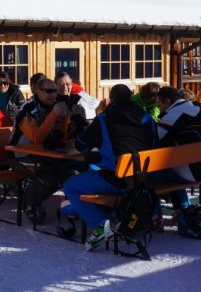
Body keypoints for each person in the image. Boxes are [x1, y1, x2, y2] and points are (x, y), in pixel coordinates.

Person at [64, 84, 156, 249]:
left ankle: (101, 225)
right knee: (96, 167)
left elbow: (81, 144)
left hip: (117, 180)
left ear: (111, 100)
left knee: (70, 186)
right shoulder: (147, 118)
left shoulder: (105, 119)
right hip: (145, 178)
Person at [10, 76, 78, 222]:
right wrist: (54, 114)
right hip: (20, 155)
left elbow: (62, 134)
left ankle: (75, 206)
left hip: (45, 153)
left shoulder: (53, 106)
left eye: (55, 91)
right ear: (37, 92)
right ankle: (29, 204)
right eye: (48, 91)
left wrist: (66, 118)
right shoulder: (29, 109)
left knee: (69, 170)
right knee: (48, 171)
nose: (53, 94)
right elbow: (37, 137)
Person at [153, 85, 201, 239]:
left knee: (148, 174)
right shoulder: (197, 108)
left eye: (160, 105)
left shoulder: (173, 116)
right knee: (169, 168)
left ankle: (155, 216)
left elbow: (154, 142)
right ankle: (183, 210)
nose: (159, 109)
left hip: (191, 170)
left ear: (167, 101)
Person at [53, 72, 90, 140]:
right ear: (55, 85)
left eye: (67, 84)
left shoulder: (78, 103)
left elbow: (84, 128)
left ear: (72, 85)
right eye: (61, 84)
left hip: (75, 143)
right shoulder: (51, 103)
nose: (64, 87)